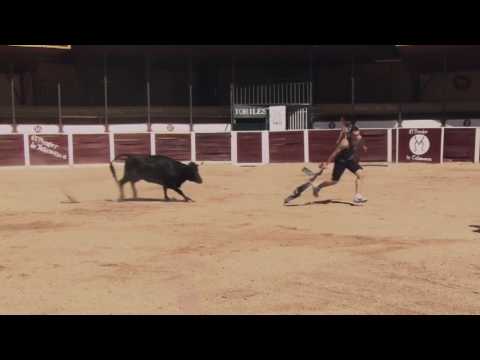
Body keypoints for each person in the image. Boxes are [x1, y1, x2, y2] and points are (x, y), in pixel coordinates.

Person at [312, 119, 367, 204]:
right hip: (340, 161)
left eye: (358, 134)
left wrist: (363, 146)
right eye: (355, 135)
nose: (357, 137)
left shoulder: (359, 137)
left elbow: (358, 143)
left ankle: (357, 196)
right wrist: (326, 164)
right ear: (350, 135)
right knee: (334, 181)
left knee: (361, 174)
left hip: (349, 160)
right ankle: (318, 187)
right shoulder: (344, 143)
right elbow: (334, 154)